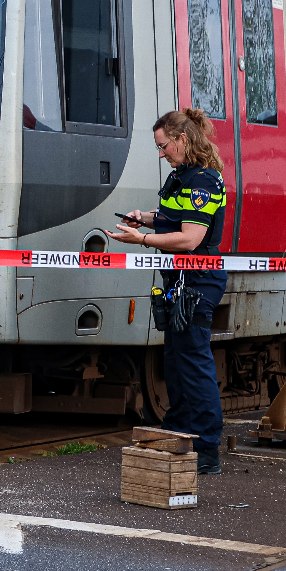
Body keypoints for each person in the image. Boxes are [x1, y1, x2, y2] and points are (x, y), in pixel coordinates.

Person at [108, 109, 229, 475]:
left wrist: (142, 240)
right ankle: (177, 432)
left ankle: (206, 448)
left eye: (164, 146)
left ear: (183, 140)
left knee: (194, 363)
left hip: (198, 280)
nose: (161, 154)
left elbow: (190, 238)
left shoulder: (204, 181)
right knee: (176, 362)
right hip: (179, 281)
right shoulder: (181, 177)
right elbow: (172, 217)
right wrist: (143, 219)